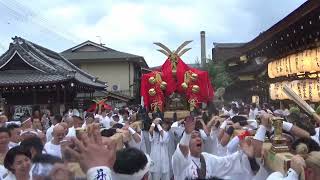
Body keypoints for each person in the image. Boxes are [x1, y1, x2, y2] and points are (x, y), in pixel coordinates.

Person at [172, 116, 255, 179]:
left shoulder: (206, 158)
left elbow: (228, 162)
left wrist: (245, 153)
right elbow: (183, 151)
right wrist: (187, 134)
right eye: (193, 137)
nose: (198, 138)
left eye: (199, 136)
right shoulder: (180, 161)